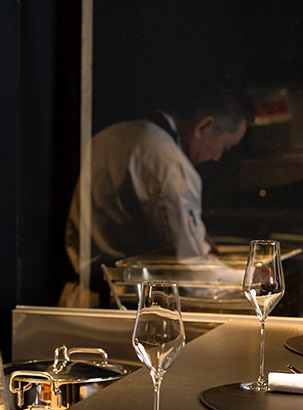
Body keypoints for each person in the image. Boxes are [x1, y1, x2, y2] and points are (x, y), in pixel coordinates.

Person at [59, 84, 252, 308]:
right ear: (204, 126)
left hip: (78, 299)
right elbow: (190, 273)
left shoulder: (112, 135)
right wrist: (248, 278)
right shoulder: (170, 166)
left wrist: (194, 237)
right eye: (225, 147)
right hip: (117, 308)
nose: (217, 157)